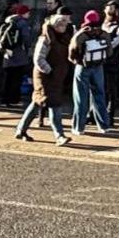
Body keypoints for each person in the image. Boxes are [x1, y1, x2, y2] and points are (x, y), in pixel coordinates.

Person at [16, 13, 74, 146]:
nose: (63, 27)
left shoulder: (63, 38)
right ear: (54, 25)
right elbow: (38, 59)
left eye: (65, 24)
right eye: (61, 24)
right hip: (45, 77)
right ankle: (59, 136)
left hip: (56, 77)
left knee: (37, 102)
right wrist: (50, 71)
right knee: (54, 104)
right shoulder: (45, 38)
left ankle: (21, 130)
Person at [69, 10, 112, 136]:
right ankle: (104, 125)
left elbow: (72, 51)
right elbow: (109, 52)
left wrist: (75, 60)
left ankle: (79, 127)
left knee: (80, 97)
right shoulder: (104, 34)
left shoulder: (81, 35)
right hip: (98, 67)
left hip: (82, 67)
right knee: (99, 95)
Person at [0, 3, 33, 107]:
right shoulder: (23, 23)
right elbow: (26, 39)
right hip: (19, 53)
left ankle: (4, 100)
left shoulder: (8, 21)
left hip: (8, 53)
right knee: (17, 78)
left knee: (7, 78)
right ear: (24, 13)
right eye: (28, 13)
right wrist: (29, 47)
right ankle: (14, 100)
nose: (29, 15)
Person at [101, 1, 119, 122]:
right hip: (102, 59)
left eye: (111, 8)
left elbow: (117, 41)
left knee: (111, 88)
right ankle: (96, 113)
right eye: (107, 9)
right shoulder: (105, 22)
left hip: (113, 59)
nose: (109, 11)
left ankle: (110, 114)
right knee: (99, 87)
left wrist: (103, 46)